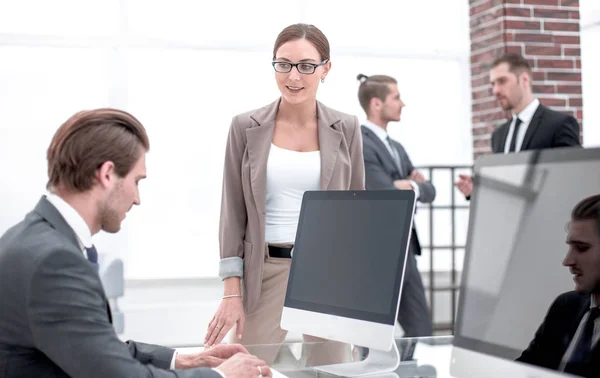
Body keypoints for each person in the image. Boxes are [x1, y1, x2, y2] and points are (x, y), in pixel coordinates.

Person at [0, 109, 270, 378]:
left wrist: (186, 360)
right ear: (107, 174)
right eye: (136, 181)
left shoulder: (29, 238)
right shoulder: (54, 262)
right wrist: (223, 376)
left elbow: (94, 350)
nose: (137, 199)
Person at [204, 23, 365, 358]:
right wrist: (231, 292)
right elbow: (232, 212)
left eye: (307, 66)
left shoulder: (346, 127)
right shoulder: (245, 126)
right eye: (284, 64)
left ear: (326, 69)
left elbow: (356, 211)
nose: (294, 77)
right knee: (248, 365)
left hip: (327, 272)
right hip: (264, 270)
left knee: (332, 369)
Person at [356, 74, 435, 338]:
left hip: (406, 249)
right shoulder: (360, 143)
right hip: (376, 252)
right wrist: (406, 186)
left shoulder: (397, 148)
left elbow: (430, 190)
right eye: (397, 97)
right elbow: (384, 194)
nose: (403, 103)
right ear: (376, 103)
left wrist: (408, 186)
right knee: (372, 336)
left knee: (421, 329)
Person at [455, 53, 581, 199]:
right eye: (493, 84)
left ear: (524, 80)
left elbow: (572, 180)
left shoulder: (559, 124)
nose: (495, 90)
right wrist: (475, 191)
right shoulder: (499, 135)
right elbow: (506, 186)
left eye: (502, 81)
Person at [517, 194, 600, 377]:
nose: (567, 261)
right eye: (570, 247)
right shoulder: (566, 305)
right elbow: (525, 369)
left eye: (581, 248)